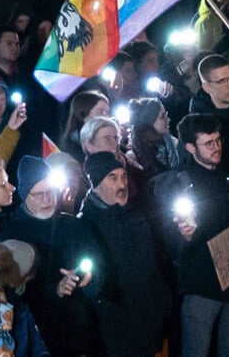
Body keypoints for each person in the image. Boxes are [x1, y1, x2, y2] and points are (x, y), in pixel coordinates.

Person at [156, 113, 229, 357]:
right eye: (208, 143)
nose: (216, 148)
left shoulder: (228, 177)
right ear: (189, 147)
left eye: (218, 140)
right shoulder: (178, 183)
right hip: (203, 286)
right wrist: (186, 236)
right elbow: (170, 243)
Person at [0, 155, 105, 356]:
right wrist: (54, 290)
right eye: (39, 194)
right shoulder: (11, 233)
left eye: (50, 191)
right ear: (24, 194)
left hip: (80, 332)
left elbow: (98, 264)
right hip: (37, 337)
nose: (47, 200)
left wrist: (90, 277)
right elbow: (9, 292)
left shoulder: (74, 225)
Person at [79, 152, 169, 357]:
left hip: (150, 324)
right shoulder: (84, 225)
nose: (122, 184)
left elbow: (153, 265)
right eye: (113, 178)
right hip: (116, 332)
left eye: (124, 176)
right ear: (96, 184)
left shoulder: (136, 215)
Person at [60, 91, 109, 159]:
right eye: (100, 112)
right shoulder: (72, 145)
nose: (106, 117)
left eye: (107, 112)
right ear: (83, 114)